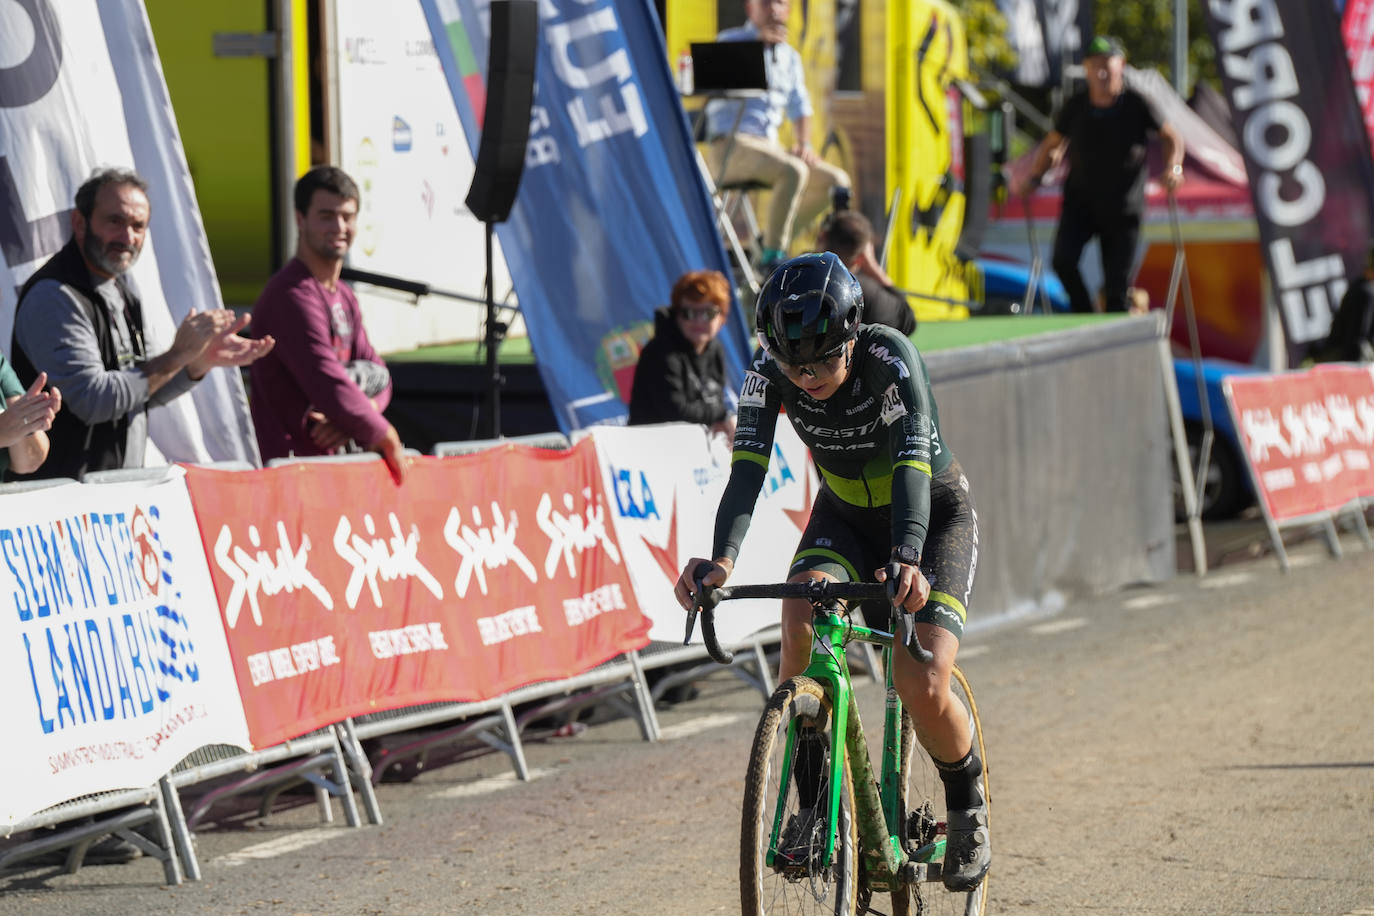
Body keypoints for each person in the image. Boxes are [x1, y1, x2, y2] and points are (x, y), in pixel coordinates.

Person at [673, 252, 988, 891]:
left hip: (930, 513)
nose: (806, 376)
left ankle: (967, 802)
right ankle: (814, 807)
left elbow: (912, 468)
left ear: (851, 337)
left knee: (920, 677)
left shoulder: (890, 359)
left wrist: (907, 554)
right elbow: (747, 475)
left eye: (820, 361)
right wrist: (721, 562)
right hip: (842, 516)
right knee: (800, 621)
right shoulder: (769, 372)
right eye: (794, 365)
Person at [9, 168, 274, 481]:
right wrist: (177, 356)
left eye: (138, 226)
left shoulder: (123, 288)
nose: (128, 237)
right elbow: (93, 400)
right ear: (79, 223)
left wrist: (196, 364)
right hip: (60, 506)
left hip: (113, 496)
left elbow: (144, 391)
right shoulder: (54, 296)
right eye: (115, 221)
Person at [248, 166, 407, 483]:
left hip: (331, 474)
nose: (339, 226)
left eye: (348, 216)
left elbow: (381, 377)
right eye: (326, 215)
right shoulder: (291, 295)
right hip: (290, 475)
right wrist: (382, 433)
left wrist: (355, 416)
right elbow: (326, 382)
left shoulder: (344, 295)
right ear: (300, 219)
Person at [1010, 35, 1184, 314]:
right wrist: (1034, 176)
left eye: (1107, 65)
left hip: (1124, 207)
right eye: (1095, 66)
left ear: (1121, 66)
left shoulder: (1137, 104)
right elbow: (1053, 142)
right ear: (1087, 68)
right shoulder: (1076, 105)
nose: (1102, 73)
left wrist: (1174, 167)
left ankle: (1112, 331)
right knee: (1063, 261)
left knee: (1117, 287)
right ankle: (1084, 315)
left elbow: (1171, 137)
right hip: (1081, 202)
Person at [704, 0, 851, 270]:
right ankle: (772, 258)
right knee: (793, 169)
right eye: (765, 3)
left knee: (837, 181)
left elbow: (801, 108)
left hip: (771, 148)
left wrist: (804, 143)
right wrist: (755, 49)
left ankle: (769, 242)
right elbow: (708, 86)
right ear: (750, 8)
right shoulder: (729, 41)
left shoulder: (790, 57)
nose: (773, 9)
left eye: (780, 3)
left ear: (788, 11)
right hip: (730, 145)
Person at [628, 269, 736, 440]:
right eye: (689, 313)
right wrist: (722, 415)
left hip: (693, 448)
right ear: (677, 315)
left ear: (722, 317)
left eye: (708, 313)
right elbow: (676, 411)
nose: (699, 321)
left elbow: (714, 401)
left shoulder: (715, 350)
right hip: (652, 447)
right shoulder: (660, 351)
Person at [817, 208, 916, 335]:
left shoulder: (794, 274)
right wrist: (873, 267)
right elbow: (907, 319)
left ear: (823, 236)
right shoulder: (863, 292)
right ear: (859, 259)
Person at [1313, 244, 1374, 363]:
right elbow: (1359, 339)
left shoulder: (1359, 287)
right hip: (1350, 364)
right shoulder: (1366, 292)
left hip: (1343, 360)